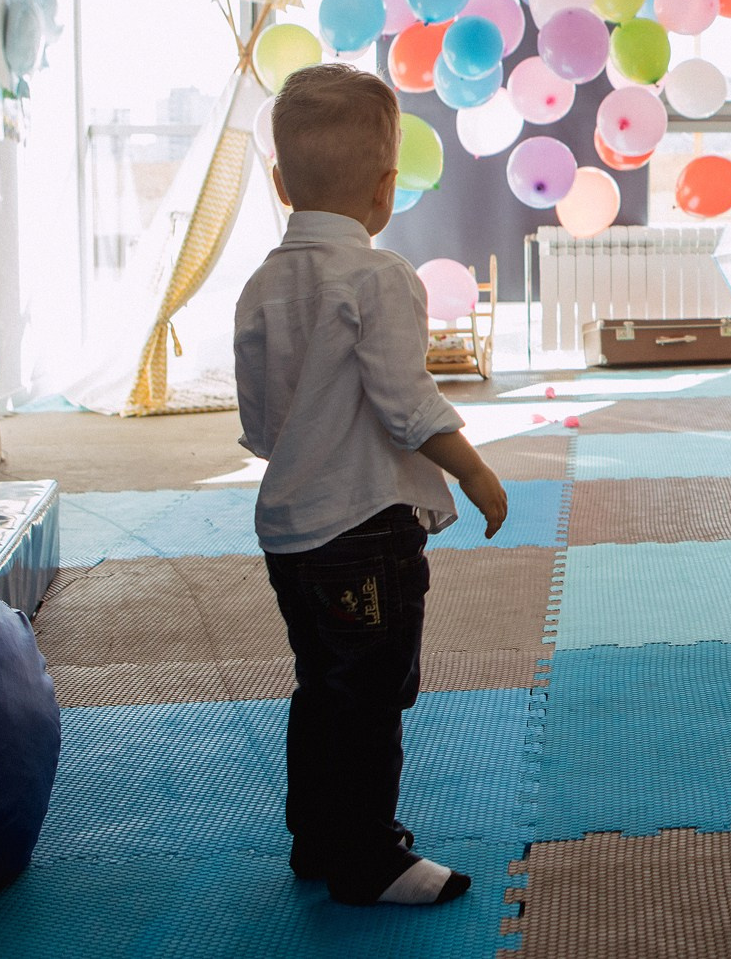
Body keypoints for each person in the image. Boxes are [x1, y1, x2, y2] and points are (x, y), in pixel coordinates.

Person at [233, 63, 510, 908]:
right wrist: (474, 470)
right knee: (374, 693)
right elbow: (407, 401)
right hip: (365, 529)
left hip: (290, 532)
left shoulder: (261, 284)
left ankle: (318, 837)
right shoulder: (379, 276)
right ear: (387, 188)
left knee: (323, 684)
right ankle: (368, 857)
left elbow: (259, 424)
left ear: (281, 182)